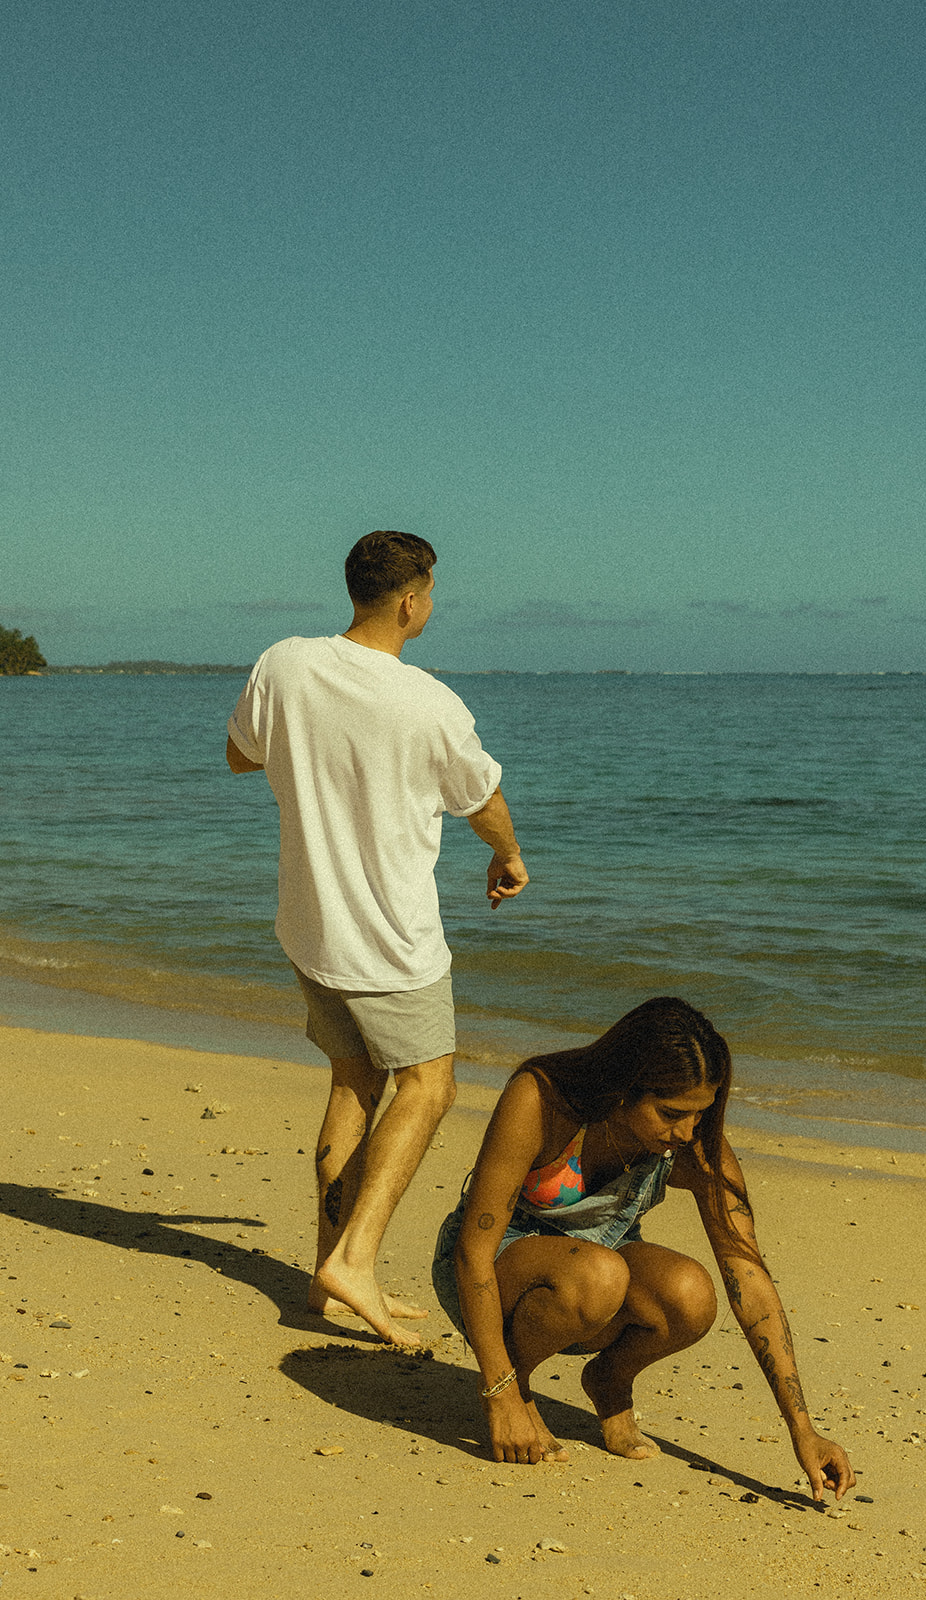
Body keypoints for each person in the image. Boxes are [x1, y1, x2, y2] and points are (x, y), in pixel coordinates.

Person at [226, 530, 528, 1347]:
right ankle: (354, 1259)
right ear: (409, 600)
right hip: (389, 939)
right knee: (428, 1088)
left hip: (309, 926)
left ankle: (330, 1274)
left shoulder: (282, 663)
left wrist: (318, 756)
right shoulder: (428, 702)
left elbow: (239, 755)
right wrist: (507, 854)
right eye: (429, 592)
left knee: (353, 1083)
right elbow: (482, 798)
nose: (429, 604)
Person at [432, 997, 855, 1503]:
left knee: (691, 1294)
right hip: (495, 1271)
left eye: (700, 1115)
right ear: (622, 1089)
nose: (687, 1132)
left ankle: (610, 1380)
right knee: (600, 1274)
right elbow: (471, 1252)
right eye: (671, 1113)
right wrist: (499, 1393)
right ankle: (520, 1384)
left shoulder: (693, 1146)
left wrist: (803, 1429)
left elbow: (748, 1271)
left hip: (596, 1272)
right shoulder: (542, 1100)